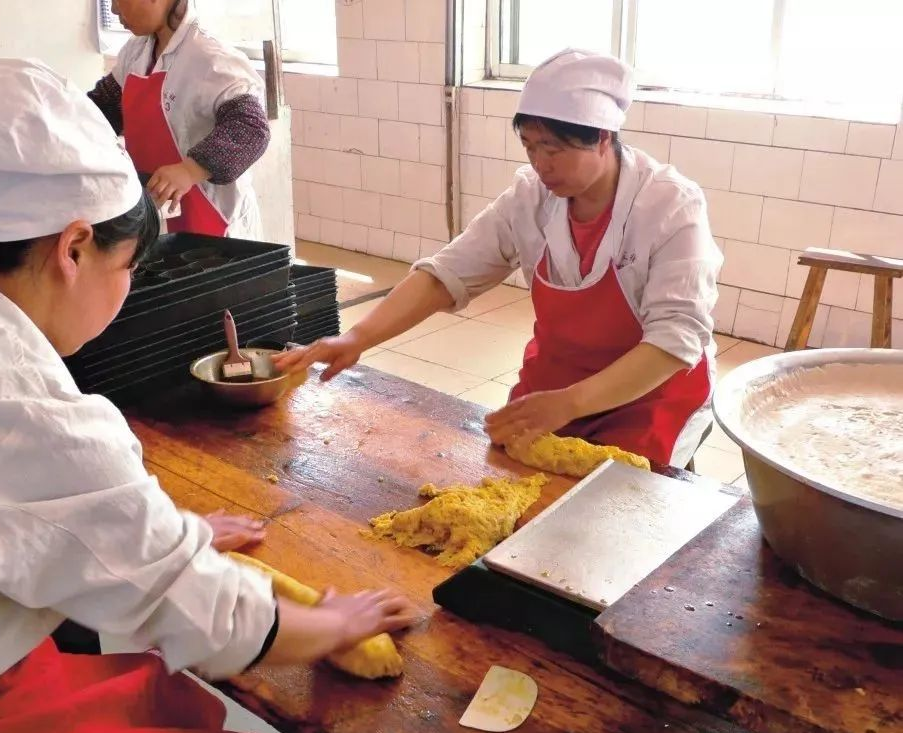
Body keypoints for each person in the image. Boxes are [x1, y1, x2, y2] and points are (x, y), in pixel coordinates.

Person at [0, 58, 412, 733]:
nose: (126, 291)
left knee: (169, 704)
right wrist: (331, 623)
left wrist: (160, 538)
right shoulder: (33, 412)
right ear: (73, 248)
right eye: (129, 269)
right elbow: (202, 618)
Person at [276, 49, 722, 468]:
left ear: (603, 137)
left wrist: (571, 403)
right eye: (530, 146)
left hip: (650, 394)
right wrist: (357, 338)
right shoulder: (530, 199)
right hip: (556, 380)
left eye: (554, 148)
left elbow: (674, 339)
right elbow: (446, 274)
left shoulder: (668, 206)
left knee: (621, 499)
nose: (541, 164)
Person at [88, 0, 269, 238]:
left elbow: (251, 128)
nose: (113, 9)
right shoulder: (135, 52)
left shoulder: (210, 58)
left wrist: (189, 171)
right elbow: (102, 108)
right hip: (157, 219)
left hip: (216, 227)